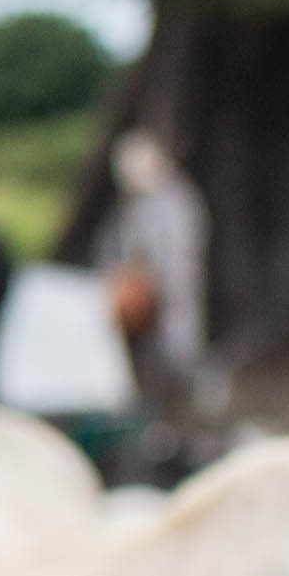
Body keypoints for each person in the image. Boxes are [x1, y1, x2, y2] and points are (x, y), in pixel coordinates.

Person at [96, 123, 222, 443]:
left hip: (172, 301)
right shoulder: (131, 207)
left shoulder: (177, 202)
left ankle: (182, 425)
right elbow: (116, 250)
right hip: (140, 307)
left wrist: (154, 284)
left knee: (178, 357)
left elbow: (177, 259)